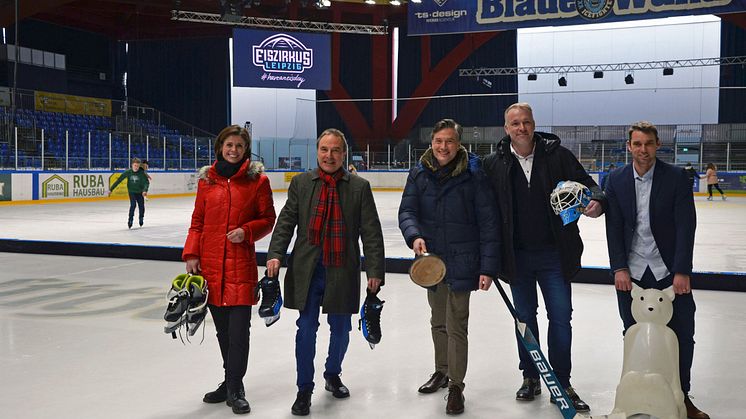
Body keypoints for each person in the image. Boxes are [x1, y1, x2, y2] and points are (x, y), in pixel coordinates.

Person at [482, 102, 605, 413]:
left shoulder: (557, 156)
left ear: (533, 124)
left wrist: (596, 204)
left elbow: (592, 188)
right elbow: (483, 211)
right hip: (517, 258)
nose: (521, 128)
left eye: (526, 122)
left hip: (554, 255)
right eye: (515, 123)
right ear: (506, 128)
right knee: (525, 321)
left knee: (561, 319)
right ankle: (531, 376)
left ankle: (561, 381)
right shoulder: (493, 163)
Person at [265, 128, 385, 416]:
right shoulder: (302, 183)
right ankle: (304, 388)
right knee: (306, 328)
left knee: (341, 328)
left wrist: (375, 268)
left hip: (342, 266)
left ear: (343, 154)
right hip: (308, 268)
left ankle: (332, 373)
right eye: (324, 150)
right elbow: (286, 221)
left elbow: (371, 231)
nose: (329, 156)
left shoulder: (358, 186)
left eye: (335, 150)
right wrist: (275, 254)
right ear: (317, 151)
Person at [604, 121, 708, 419]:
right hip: (632, 273)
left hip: (667, 270)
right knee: (633, 333)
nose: (643, 149)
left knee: (682, 333)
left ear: (657, 144)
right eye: (637, 144)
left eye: (648, 143)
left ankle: (682, 396)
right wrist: (619, 268)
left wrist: (682, 270)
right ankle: (636, 394)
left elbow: (686, 226)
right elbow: (613, 228)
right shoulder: (616, 179)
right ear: (629, 146)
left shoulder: (675, 177)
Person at [398, 119, 500, 415]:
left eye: (450, 141)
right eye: (439, 141)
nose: (444, 147)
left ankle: (456, 385)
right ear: (431, 142)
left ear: (459, 144)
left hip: (464, 261)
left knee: (457, 325)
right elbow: (407, 210)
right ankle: (441, 371)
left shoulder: (474, 174)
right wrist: (414, 235)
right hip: (433, 264)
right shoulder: (419, 172)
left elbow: (488, 222)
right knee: (438, 321)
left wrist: (488, 267)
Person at [182, 125, 276, 415]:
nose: (233, 150)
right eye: (228, 145)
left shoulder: (257, 181)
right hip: (210, 267)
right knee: (223, 332)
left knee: (238, 333)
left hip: (239, 266)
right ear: (220, 148)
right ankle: (229, 381)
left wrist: (247, 232)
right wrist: (191, 253)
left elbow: (268, 219)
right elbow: (197, 220)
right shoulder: (207, 182)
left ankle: (236, 387)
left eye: (239, 145)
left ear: (245, 150)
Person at [109, 157, 150, 229]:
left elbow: (146, 183)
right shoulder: (128, 172)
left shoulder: (141, 173)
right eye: (135, 165)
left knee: (141, 206)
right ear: (132, 165)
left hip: (140, 192)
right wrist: (111, 189)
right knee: (133, 205)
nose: (136, 167)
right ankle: (130, 220)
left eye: (137, 166)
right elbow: (119, 180)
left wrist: (145, 190)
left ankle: (141, 218)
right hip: (132, 192)